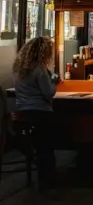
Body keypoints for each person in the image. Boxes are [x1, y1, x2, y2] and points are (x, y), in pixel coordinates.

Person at [12, 36, 59, 190]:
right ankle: (48, 179)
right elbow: (48, 93)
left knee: (40, 144)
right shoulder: (40, 70)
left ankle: (34, 159)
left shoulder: (17, 69)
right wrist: (54, 81)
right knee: (48, 145)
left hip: (23, 111)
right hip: (41, 112)